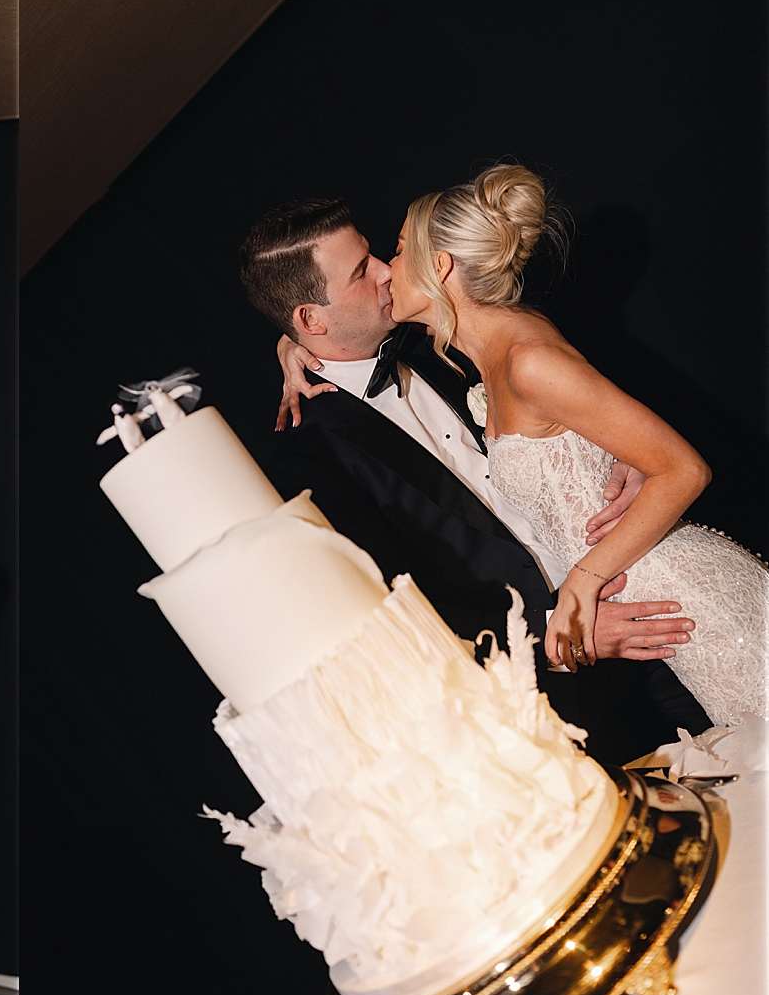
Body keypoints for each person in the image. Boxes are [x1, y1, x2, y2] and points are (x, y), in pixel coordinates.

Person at [240, 198, 714, 761]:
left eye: (376, 254)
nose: (388, 271)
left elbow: (576, 392)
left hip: (658, 593)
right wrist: (563, 640)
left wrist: (629, 455)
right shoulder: (310, 459)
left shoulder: (444, 331)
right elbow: (400, 613)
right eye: (361, 270)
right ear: (311, 321)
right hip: (564, 696)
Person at [385, 164, 766, 723]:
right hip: (672, 613)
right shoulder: (493, 358)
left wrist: (581, 582)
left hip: (703, 603)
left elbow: (685, 470)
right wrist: (294, 345)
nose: (385, 268)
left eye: (396, 251)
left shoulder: (528, 359)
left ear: (439, 266)